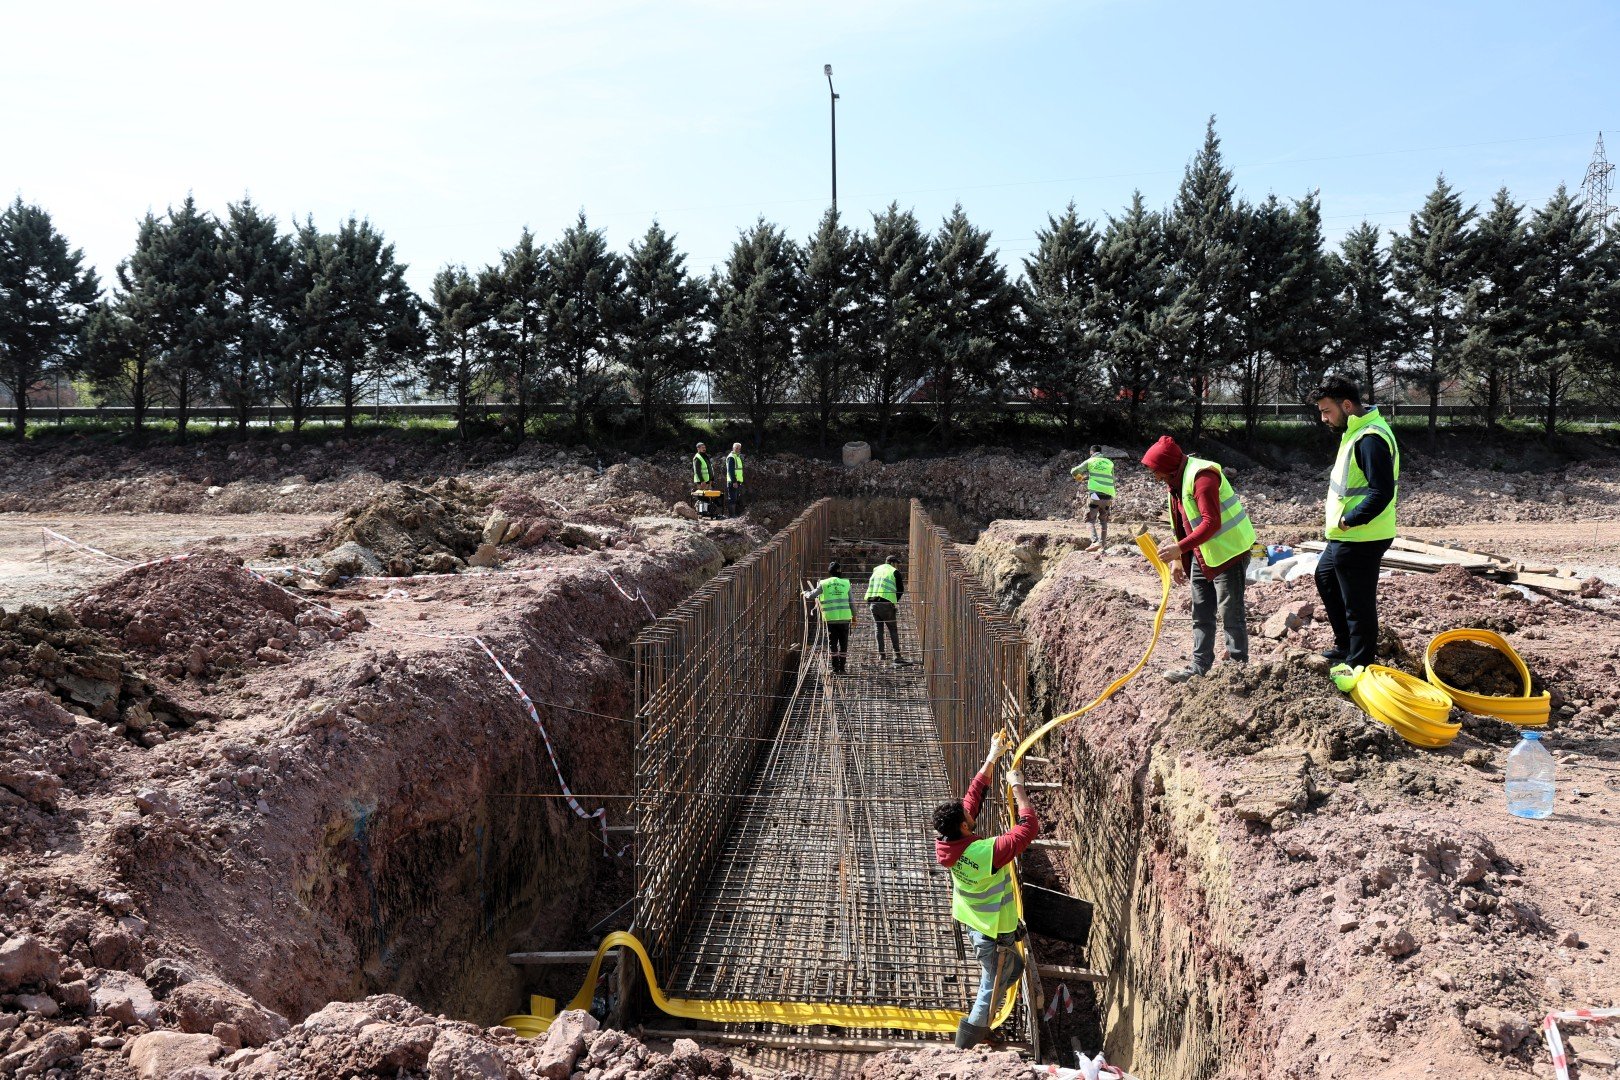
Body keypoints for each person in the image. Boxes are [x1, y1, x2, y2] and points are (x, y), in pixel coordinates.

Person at [934, 731, 1039, 1049]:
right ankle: (969, 1041)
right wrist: (1017, 787)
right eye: (968, 818)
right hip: (994, 933)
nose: (971, 813)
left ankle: (984, 1020)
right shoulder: (983, 853)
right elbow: (1027, 828)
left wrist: (992, 757)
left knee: (1011, 970)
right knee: (991, 987)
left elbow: (972, 798)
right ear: (965, 827)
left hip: (975, 924)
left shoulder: (948, 843)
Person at [1141, 436, 1256, 684]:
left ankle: (1238, 672)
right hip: (1202, 553)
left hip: (1229, 552)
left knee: (1230, 613)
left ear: (1169, 466)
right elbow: (1182, 524)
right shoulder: (1175, 481)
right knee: (1201, 612)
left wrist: (1179, 549)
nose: (1156, 477)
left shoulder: (1202, 477)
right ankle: (1199, 666)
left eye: (1157, 471)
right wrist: (1179, 559)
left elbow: (1211, 522)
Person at [1311, 376, 1400, 670]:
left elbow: (1382, 491)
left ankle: (1359, 665)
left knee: (1358, 606)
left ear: (1347, 405)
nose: (1324, 418)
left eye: (1327, 411)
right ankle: (1345, 645)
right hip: (1346, 535)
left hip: (1361, 535)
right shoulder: (1355, 430)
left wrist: (1351, 519)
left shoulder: (1370, 438)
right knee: (1325, 578)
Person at [803, 561, 854, 674]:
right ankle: (842, 668)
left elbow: (812, 595)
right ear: (840, 571)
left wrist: (805, 593)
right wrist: (854, 617)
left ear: (829, 572)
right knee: (843, 643)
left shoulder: (823, 583)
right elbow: (852, 602)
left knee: (833, 644)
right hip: (845, 619)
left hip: (831, 619)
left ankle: (835, 669)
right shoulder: (846, 583)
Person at [864, 555, 908, 667]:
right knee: (892, 629)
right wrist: (894, 601)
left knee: (878, 629)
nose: (897, 566)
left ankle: (882, 654)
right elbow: (901, 590)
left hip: (873, 603)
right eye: (896, 563)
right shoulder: (894, 572)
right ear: (892, 563)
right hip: (886, 604)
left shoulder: (876, 569)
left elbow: (871, 585)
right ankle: (897, 654)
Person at [1070, 444, 1115, 550]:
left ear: (1091, 452)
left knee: (1089, 519)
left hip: (1095, 494)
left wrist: (1079, 477)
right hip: (1108, 495)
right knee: (1104, 521)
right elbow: (1112, 478)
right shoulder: (1110, 462)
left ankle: (1095, 542)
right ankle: (1102, 546)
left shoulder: (1090, 461)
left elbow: (1074, 471)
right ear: (1101, 453)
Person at [691, 442, 714, 517]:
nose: (704, 449)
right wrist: (702, 481)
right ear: (698, 449)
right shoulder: (697, 457)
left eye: (704, 447)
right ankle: (701, 513)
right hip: (702, 481)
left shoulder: (705, 456)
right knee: (701, 497)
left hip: (707, 480)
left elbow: (709, 468)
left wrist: (711, 479)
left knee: (706, 497)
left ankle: (704, 512)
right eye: (702, 447)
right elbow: (697, 471)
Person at [725, 442, 745, 517]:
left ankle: (734, 515)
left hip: (737, 481)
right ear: (733, 448)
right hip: (733, 482)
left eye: (739, 448)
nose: (738, 450)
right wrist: (734, 481)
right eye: (736, 448)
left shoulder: (737, 457)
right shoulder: (731, 457)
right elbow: (730, 470)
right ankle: (731, 515)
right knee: (732, 498)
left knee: (735, 498)